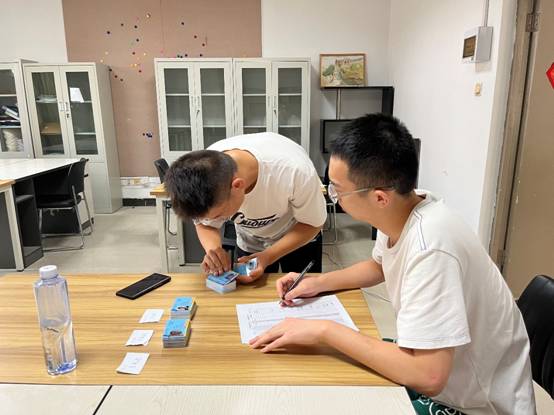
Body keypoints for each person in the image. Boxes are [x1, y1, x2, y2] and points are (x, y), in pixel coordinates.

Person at [250, 114, 536, 414]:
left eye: (336, 190)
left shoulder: (430, 247)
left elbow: (429, 376)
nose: (333, 198)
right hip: (449, 378)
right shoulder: (407, 208)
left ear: (379, 198)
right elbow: (379, 266)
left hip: (476, 404)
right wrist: (318, 283)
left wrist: (324, 330)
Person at [164, 132, 327, 283]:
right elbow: (204, 224)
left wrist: (268, 256)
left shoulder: (294, 172)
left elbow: (312, 223)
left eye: (218, 215)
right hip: (250, 239)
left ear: (237, 186)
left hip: (298, 237)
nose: (213, 221)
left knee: (300, 292)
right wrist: (214, 251)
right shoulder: (204, 174)